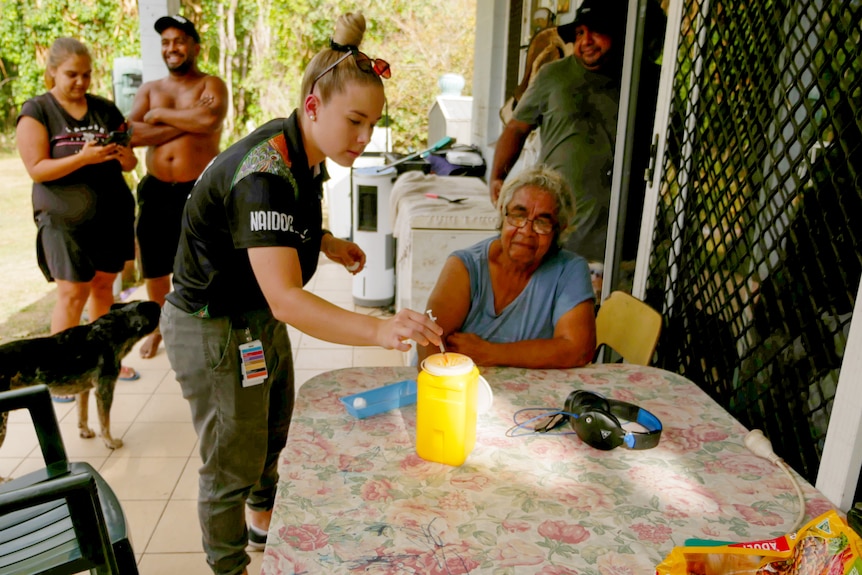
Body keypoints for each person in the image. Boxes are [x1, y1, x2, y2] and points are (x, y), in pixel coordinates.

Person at [158, 13, 443, 575]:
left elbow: (281, 229)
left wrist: (329, 243)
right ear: (313, 107)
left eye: (372, 123)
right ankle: (228, 565)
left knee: (273, 430)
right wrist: (380, 329)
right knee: (230, 462)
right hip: (213, 325)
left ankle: (265, 520)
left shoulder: (303, 152)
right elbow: (288, 299)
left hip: (253, 315)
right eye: (355, 121)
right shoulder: (263, 172)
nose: (364, 138)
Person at [16, 37, 139, 391]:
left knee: (104, 287)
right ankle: (60, 373)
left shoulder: (105, 109)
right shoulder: (37, 111)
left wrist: (121, 155)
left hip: (111, 215)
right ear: (52, 71)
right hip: (63, 221)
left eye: (86, 75)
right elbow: (37, 169)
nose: (81, 82)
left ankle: (104, 362)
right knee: (72, 292)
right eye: (72, 74)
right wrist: (82, 158)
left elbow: (129, 161)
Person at [488, 0, 626, 290]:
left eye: (596, 32)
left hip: (624, 243)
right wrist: (498, 176)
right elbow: (516, 128)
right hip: (562, 235)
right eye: (579, 33)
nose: (585, 41)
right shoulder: (553, 76)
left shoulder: (644, 80)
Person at [418, 164, 596, 369]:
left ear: (559, 229)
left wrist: (489, 352)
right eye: (518, 216)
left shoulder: (570, 270)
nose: (527, 231)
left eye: (542, 222)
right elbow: (429, 343)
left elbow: (578, 350)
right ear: (503, 214)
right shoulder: (465, 267)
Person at [128, 14, 228, 359]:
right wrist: (186, 123)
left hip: (198, 189)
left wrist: (159, 116)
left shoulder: (211, 85)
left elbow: (208, 120)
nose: (172, 48)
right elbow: (131, 133)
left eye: (179, 41)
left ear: (194, 47)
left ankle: (201, 324)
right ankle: (157, 328)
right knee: (155, 266)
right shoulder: (150, 89)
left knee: (203, 262)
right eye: (166, 42)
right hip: (156, 189)